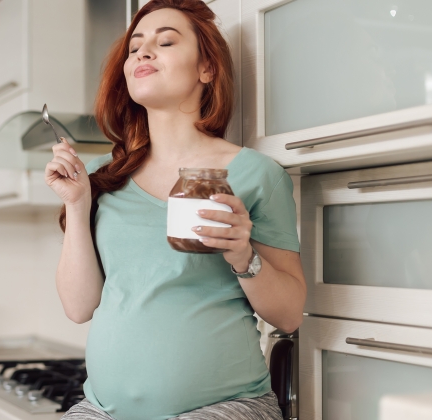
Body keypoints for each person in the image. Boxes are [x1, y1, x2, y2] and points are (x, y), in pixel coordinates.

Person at [44, 1, 305, 418]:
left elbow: (289, 315)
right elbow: (79, 307)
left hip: (223, 407)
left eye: (165, 41)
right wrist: (77, 206)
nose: (143, 53)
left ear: (207, 69)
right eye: (134, 48)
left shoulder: (255, 173)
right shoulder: (103, 177)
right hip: (102, 410)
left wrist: (242, 254)